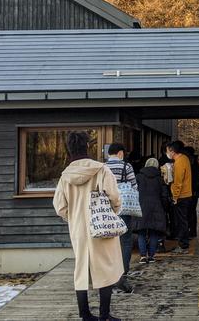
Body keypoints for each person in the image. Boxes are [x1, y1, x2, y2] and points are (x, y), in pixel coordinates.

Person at [53, 131, 123, 321]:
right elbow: (114, 198)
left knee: (81, 269)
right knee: (106, 268)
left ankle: (85, 314)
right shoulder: (101, 170)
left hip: (79, 229)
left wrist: (74, 218)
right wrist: (112, 213)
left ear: (69, 149)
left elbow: (59, 206)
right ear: (87, 147)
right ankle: (104, 315)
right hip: (102, 226)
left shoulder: (65, 176)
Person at [105, 143, 136, 294]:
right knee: (125, 240)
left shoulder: (102, 167)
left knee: (109, 241)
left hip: (106, 210)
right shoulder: (126, 167)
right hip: (123, 208)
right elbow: (134, 187)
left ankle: (109, 273)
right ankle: (122, 273)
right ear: (120, 153)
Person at [130, 158, 169, 263]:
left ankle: (143, 256)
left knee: (141, 233)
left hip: (141, 207)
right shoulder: (160, 179)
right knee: (154, 233)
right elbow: (165, 196)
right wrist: (165, 208)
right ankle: (151, 256)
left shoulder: (138, 177)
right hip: (157, 208)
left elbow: (133, 192)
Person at [167, 140, 192, 253]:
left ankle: (183, 244)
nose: (168, 153)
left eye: (168, 151)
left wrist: (175, 197)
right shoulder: (185, 158)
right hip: (187, 194)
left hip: (181, 196)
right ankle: (183, 243)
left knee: (181, 221)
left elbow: (178, 182)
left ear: (173, 151)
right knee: (184, 219)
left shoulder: (179, 162)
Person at [183, 146, 199, 238]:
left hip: (192, 191)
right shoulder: (195, 163)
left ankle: (190, 231)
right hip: (194, 191)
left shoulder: (191, 163)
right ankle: (192, 230)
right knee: (191, 212)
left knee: (189, 212)